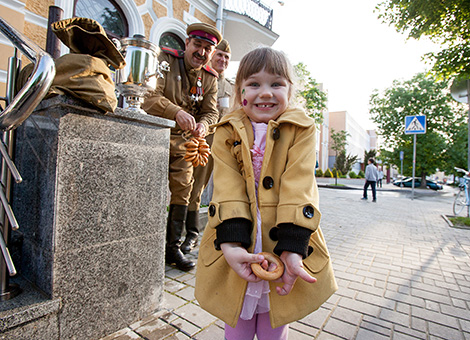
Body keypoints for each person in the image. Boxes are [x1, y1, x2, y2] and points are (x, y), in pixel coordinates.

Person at [194, 47, 337, 340]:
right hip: (237, 234)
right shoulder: (226, 130)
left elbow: (299, 186)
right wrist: (231, 243)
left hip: (282, 237)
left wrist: (294, 247)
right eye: (254, 84)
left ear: (290, 90)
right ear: (240, 90)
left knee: (276, 319)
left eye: (276, 84)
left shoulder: (301, 129)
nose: (265, 93)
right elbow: (227, 185)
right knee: (236, 316)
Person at [142, 22, 222, 271]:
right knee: (144, 189)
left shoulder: (209, 78)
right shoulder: (165, 59)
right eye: (197, 45)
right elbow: (148, 96)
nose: (201, 52)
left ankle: (172, 247)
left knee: (183, 189)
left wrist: (204, 126)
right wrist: (176, 112)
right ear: (187, 43)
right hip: (155, 134)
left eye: (208, 48)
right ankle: (144, 243)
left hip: (185, 142)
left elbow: (211, 112)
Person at [181, 39, 233, 255]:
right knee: (190, 184)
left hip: (222, 143)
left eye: (227, 58)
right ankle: (186, 234)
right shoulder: (201, 77)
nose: (223, 60)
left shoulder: (232, 85)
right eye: (219, 55)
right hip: (198, 138)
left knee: (212, 187)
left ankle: (203, 234)